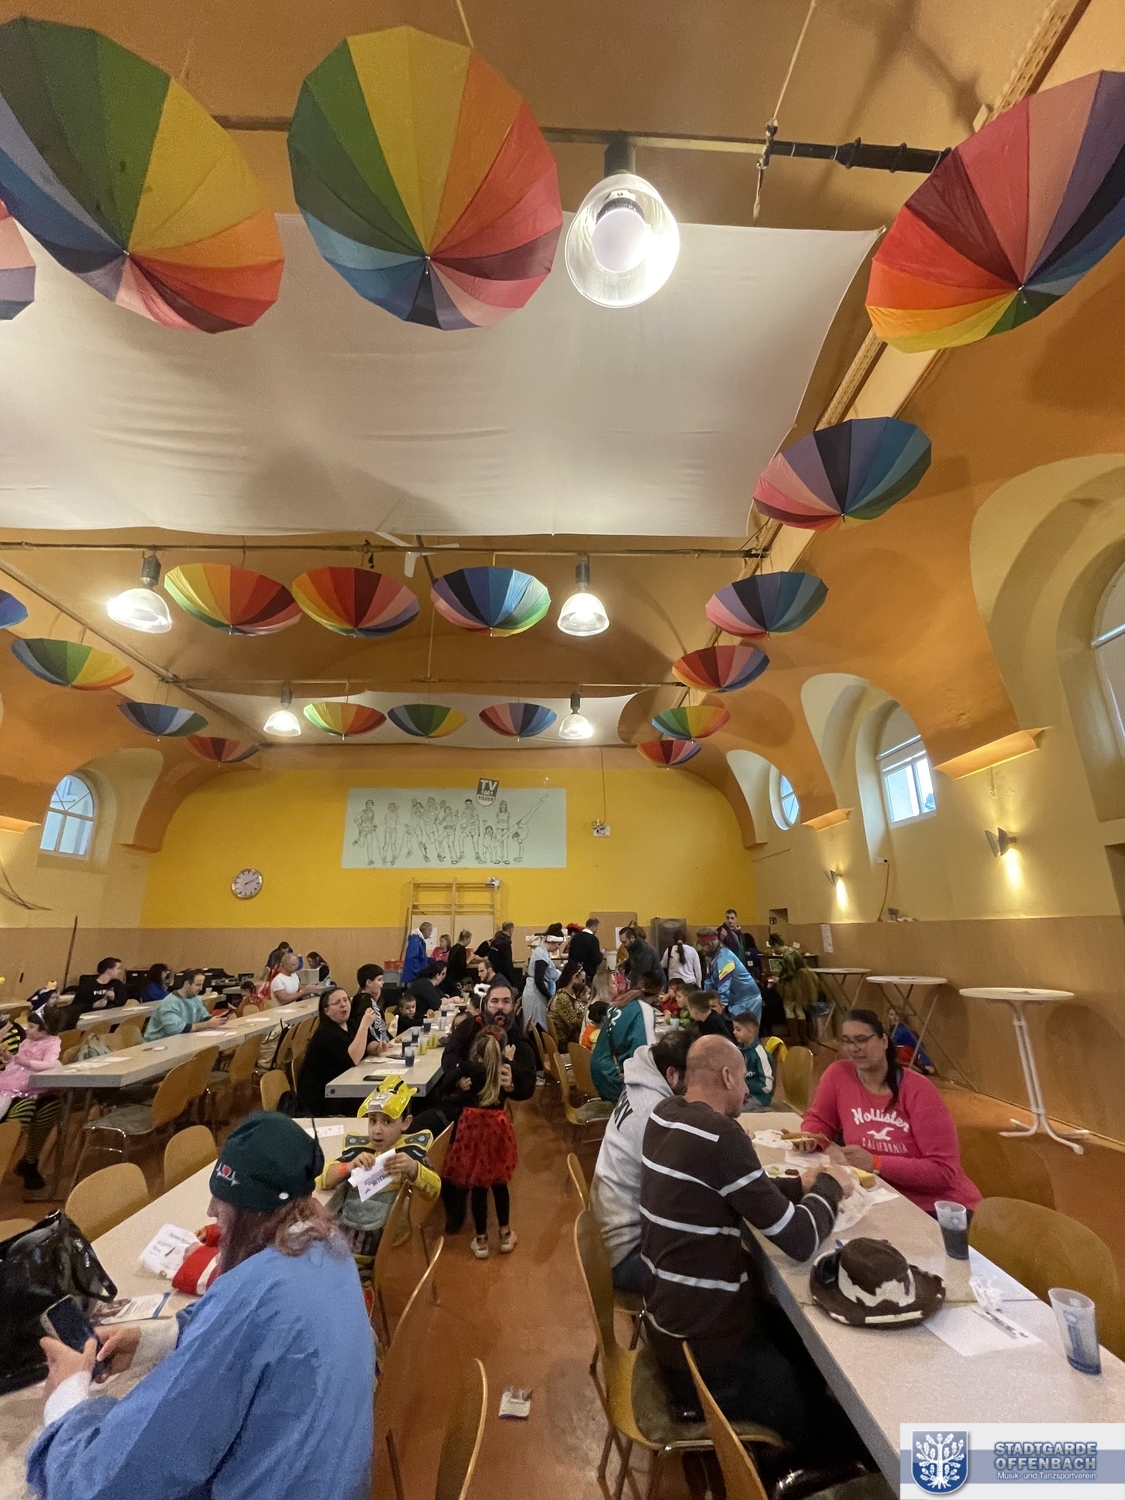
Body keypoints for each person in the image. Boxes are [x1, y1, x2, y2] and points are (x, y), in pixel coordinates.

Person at [29, 1113, 372, 1500]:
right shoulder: (329, 1248)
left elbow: (110, 1483)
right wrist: (152, 1341)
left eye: (224, 1200)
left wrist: (67, 1397)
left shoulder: (252, 1297)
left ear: (252, 1213)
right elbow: (244, 1333)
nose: (211, 1211)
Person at [639, 1034, 853, 1436]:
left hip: (666, 1327)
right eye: (743, 1078)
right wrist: (830, 1186)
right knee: (832, 1426)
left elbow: (729, 1188)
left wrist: (797, 1185)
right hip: (706, 1358)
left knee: (790, 1336)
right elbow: (800, 1240)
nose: (747, 1090)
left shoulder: (664, 1114)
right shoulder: (722, 1135)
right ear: (726, 1076)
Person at [795, 1009, 980, 1214]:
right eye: (846, 1041)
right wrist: (810, 1136)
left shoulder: (919, 1090)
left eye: (862, 1040)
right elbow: (819, 1119)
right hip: (879, 1196)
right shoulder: (838, 1074)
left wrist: (876, 1163)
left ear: (884, 1041)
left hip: (937, 1207)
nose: (854, 1048)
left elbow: (943, 1170)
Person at [590, 1027, 695, 1294]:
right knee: (716, 1268)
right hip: (626, 1255)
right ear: (672, 1075)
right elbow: (677, 1195)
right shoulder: (656, 1111)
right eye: (694, 1079)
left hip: (607, 1235)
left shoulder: (640, 1084)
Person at [318, 1078, 439, 1282]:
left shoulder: (409, 1154)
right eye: (372, 1120)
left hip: (366, 1243)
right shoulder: (361, 1150)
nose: (377, 1130)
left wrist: (413, 1169)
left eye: (387, 1121)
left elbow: (434, 1189)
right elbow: (323, 1179)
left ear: (406, 1122)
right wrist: (348, 1166)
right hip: (338, 1231)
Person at [442, 1030, 519, 1259]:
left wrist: (458, 1083)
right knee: (500, 1183)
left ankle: (481, 1240)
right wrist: (509, 1061)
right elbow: (517, 1088)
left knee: (478, 1185)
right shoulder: (503, 1070)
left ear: (476, 1054)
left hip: (473, 1131)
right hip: (497, 1131)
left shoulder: (468, 1070)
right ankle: (505, 1234)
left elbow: (445, 1086)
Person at [1, 1007, 64, 1196]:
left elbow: (43, 1062)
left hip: (30, 1085)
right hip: (11, 1086)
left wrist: (13, 1059)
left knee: (51, 1104)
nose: (27, 1030)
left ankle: (29, 1162)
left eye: (31, 1027)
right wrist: (11, 1060)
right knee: (22, 1109)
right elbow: (15, 1063)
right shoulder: (24, 1038)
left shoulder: (42, 1040)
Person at [297, 987, 384, 1116]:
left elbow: (366, 1044)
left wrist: (376, 1047)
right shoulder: (325, 1033)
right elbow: (352, 1058)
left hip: (344, 1089)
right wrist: (364, 1025)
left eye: (345, 1000)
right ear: (326, 1011)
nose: (343, 1004)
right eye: (337, 1002)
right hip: (325, 1099)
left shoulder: (350, 1025)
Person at [590, 974, 657, 1102]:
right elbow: (643, 1052)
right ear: (656, 996)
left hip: (598, 1068)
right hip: (611, 1074)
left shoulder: (621, 1002)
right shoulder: (643, 1009)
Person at [698, 927, 762, 1021]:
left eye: (704, 945)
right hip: (734, 999)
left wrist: (722, 1004)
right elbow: (708, 979)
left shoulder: (725, 956)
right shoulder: (710, 957)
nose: (701, 949)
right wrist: (706, 1000)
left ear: (711, 944)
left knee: (745, 1029)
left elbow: (724, 982)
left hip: (747, 999)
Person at [144, 970, 228, 1041]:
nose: (201, 988)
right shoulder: (169, 1003)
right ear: (187, 984)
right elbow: (176, 1029)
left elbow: (203, 1017)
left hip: (181, 1040)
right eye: (198, 985)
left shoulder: (195, 998)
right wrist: (207, 1024)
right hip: (160, 1042)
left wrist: (218, 1019)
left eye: (202, 984)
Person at [522, 925, 563, 1036]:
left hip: (536, 993)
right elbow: (539, 980)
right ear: (552, 941)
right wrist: (550, 997)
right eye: (558, 944)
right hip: (535, 994)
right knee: (536, 1026)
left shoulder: (542, 952)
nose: (558, 948)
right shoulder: (540, 954)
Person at [731, 1011, 775, 1110]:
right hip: (743, 1094)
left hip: (758, 1098)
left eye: (738, 1029)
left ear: (750, 1031)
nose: (734, 1032)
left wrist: (742, 1084)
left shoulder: (760, 1054)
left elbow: (767, 1086)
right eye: (734, 1029)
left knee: (735, 1111)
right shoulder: (739, 1050)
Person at [349, 964, 392, 1051]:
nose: (382, 983)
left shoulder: (372, 1001)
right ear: (369, 983)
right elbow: (370, 1031)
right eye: (379, 979)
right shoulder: (364, 1002)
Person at [886, 1002, 935, 1074]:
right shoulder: (892, 1029)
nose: (894, 1017)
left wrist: (925, 1063)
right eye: (891, 1014)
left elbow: (918, 1045)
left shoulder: (905, 1031)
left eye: (897, 1014)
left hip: (905, 1058)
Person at [548, 968, 587, 1051]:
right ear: (574, 978)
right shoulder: (562, 997)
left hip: (567, 1038)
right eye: (582, 980)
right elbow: (574, 1023)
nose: (583, 984)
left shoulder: (571, 994)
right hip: (564, 1042)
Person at [568, 917, 603, 984]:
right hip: (588, 973)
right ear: (593, 927)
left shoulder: (575, 938)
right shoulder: (593, 939)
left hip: (575, 972)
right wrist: (601, 954)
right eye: (597, 928)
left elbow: (571, 955)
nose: (596, 930)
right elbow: (596, 959)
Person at [485, 921, 518, 987]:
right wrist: (512, 980)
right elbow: (507, 961)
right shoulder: (506, 943)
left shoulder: (495, 940)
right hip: (504, 974)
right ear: (511, 929)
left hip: (494, 972)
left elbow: (490, 956)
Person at [401, 922, 433, 986]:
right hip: (413, 977)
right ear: (427, 930)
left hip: (415, 976)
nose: (430, 934)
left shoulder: (418, 941)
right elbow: (411, 958)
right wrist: (420, 972)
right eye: (430, 931)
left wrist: (433, 960)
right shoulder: (415, 941)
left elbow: (421, 957)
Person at [443, 929, 474, 995]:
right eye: (469, 939)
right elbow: (462, 965)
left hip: (450, 976)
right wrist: (470, 959)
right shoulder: (461, 949)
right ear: (465, 939)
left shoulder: (453, 948)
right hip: (457, 977)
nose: (470, 942)